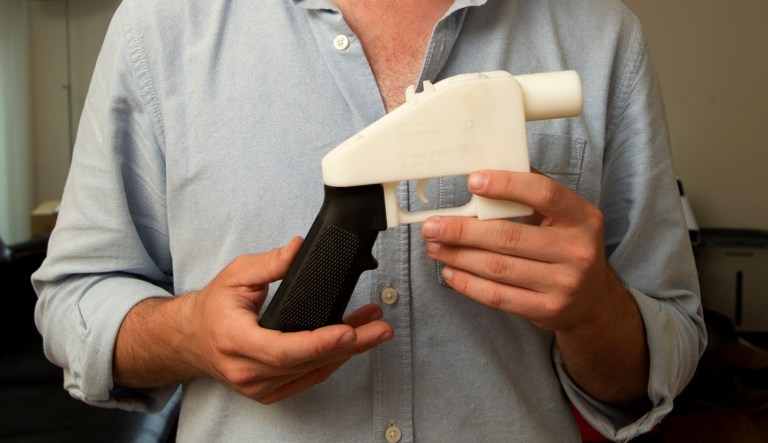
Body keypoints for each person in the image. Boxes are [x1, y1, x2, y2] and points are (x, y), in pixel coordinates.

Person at [32, 0, 707, 441]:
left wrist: (595, 314)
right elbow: (74, 301)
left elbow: (669, 339)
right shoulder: (159, 27)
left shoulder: (600, 34)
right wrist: (192, 335)